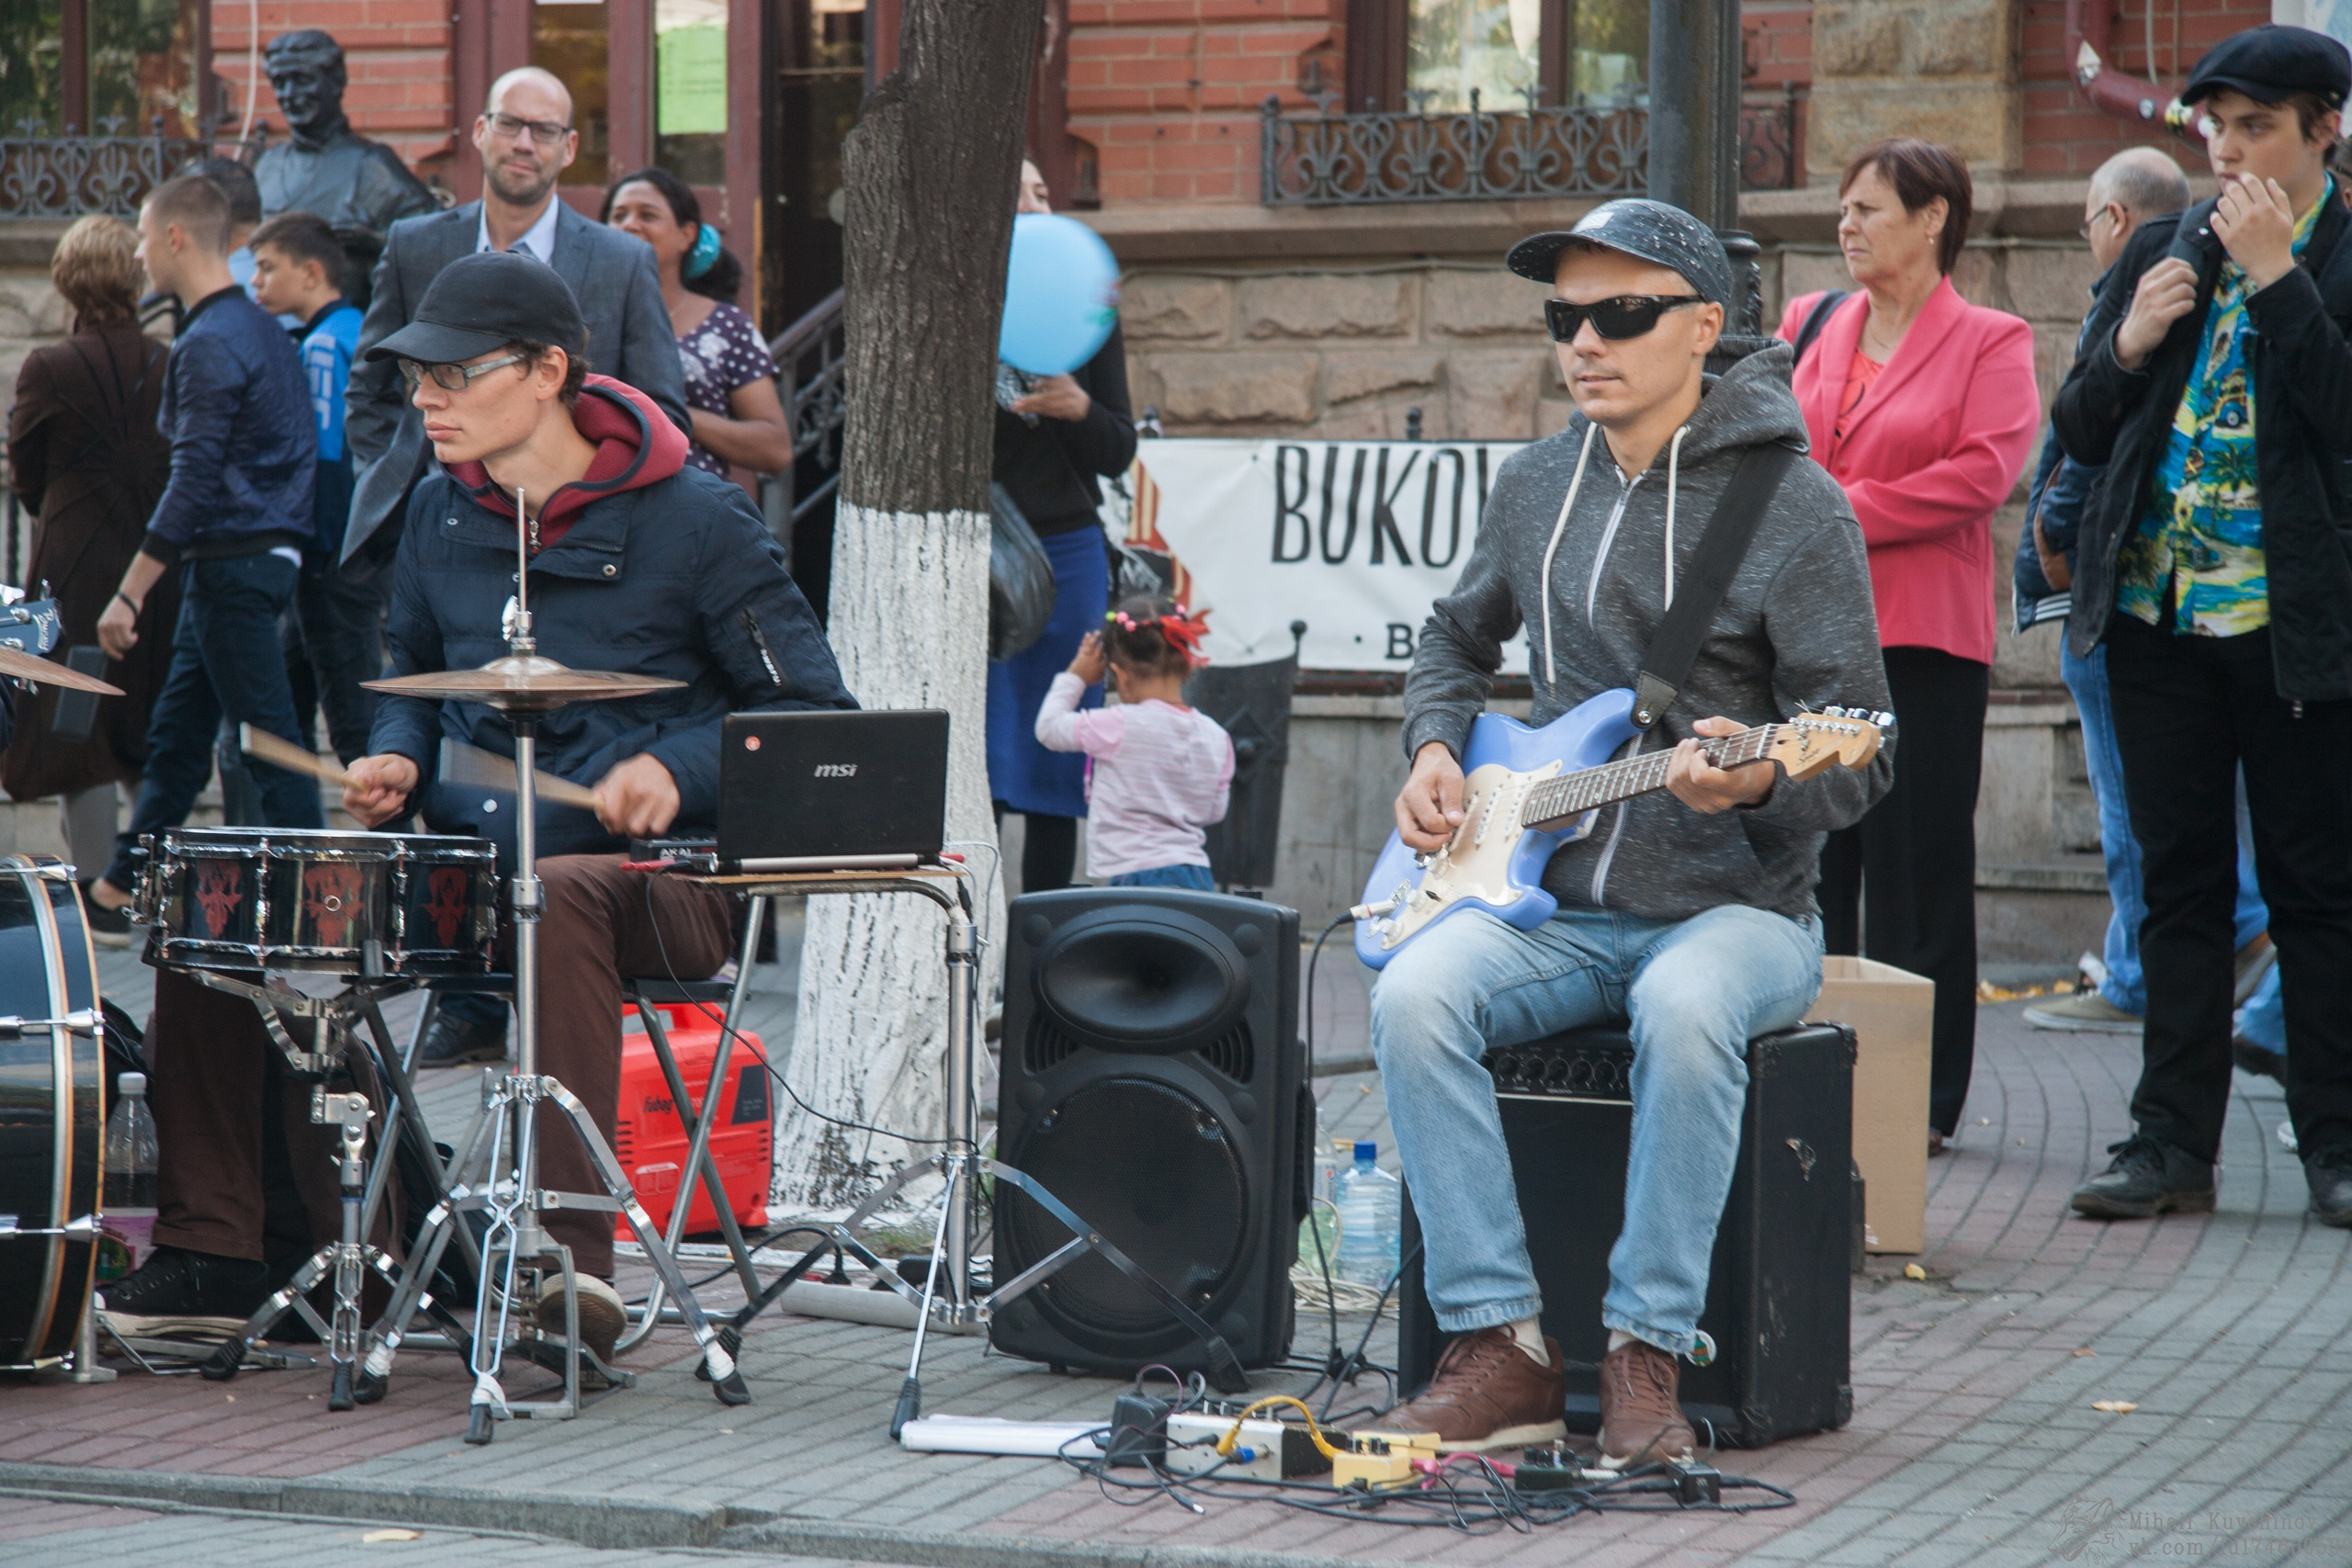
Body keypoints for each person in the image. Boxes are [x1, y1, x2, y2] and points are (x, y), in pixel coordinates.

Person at [96, 252, 854, 1356]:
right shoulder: (440, 518)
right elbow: (409, 673)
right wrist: (397, 756)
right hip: (470, 877)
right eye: (417, 376)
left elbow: (814, 713)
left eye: (453, 373)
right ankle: (220, 1246)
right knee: (215, 889)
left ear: (548, 371)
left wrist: (676, 770)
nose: (425, 398)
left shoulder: (700, 522)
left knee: (562, 894)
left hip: (668, 886)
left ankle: (566, 1268)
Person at [1370, 200, 1893, 1462]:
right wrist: (1437, 745)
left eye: (1622, 314)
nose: (1585, 341)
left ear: (1706, 328)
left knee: (1686, 1007)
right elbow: (1453, 635)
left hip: (1741, 912)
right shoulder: (1536, 480)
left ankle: (1649, 1352)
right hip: (1548, 900)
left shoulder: (1797, 507)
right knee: (1409, 997)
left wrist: (1763, 781)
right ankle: (1503, 1347)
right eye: (1565, 317)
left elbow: (1868, 743)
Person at [2050, 25, 2352, 1226]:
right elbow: (2078, 423)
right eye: (2219, 130)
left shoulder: (2334, 250)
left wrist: (2279, 279)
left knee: (2315, 889)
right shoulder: (2168, 244)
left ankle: (2333, 1138)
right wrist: (2127, 344)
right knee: (2176, 888)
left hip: (2294, 631)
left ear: (2325, 125)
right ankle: (2170, 1141)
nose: (2233, 153)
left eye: (2259, 128)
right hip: (2154, 615)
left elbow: (2340, 416)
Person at [348, 66, 689, 1067]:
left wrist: (606, 507)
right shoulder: (416, 245)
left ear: (568, 148)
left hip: (590, 537)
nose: (524, 144)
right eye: (510, 124)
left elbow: (656, 391)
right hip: (455, 524)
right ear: (480, 132)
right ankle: (465, 993)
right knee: (458, 743)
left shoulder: (615, 262)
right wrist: (400, 466)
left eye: (546, 129)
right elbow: (376, 381)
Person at [1778, 140, 2041, 1153]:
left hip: (1924, 642)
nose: (1847, 226)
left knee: (1916, 867)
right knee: (1813, 858)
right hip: (1807, 641)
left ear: (1934, 219)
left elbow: (1980, 476)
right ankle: (1807, 1069)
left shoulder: (1991, 339)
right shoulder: (1810, 322)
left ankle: (1919, 1100)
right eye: (1842, 209)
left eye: (1868, 209)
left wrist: (1836, 511)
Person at [2014, 152, 2281, 1037]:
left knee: (2136, 801)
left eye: (2091, 223)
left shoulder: (2143, 286)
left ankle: (2144, 973)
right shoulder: (2164, 290)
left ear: (2119, 222)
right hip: (2172, 599)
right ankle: (2200, 953)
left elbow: (2087, 448)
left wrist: (2058, 536)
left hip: (2137, 596)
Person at [84, 175, 322, 920]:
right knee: (182, 732)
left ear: (176, 237)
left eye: (145, 235)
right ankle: (119, 884)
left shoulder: (212, 340)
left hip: (235, 561)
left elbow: (192, 480)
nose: (140, 250)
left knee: (269, 738)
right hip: (250, 558)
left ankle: (320, 906)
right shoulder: (256, 330)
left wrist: (130, 590)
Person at [5, 215, 178, 943]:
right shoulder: (170, 360)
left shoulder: (48, 365)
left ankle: (98, 896)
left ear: (66, 281)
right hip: (154, 568)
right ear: (134, 278)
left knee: (80, 727)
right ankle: (154, 885)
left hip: (75, 570)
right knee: (157, 717)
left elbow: (28, 474)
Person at [986, 157, 1137, 895]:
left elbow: (1119, 447)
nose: (1037, 207)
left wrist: (1078, 409)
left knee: (1054, 769)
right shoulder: (947, 306)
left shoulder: (1085, 303)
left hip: (1065, 554)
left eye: (1042, 192)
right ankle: (968, 966)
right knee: (977, 767)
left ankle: (1033, 965)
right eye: (1017, 196)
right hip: (969, 558)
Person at [248, 209, 374, 763]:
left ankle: (400, 846)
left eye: (267, 268)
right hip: (343, 547)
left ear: (312, 273)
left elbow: (328, 455)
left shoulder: (325, 346)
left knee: (352, 724)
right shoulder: (354, 331)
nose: (256, 283)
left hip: (329, 551)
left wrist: (315, 548)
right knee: (286, 717)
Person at [600, 168, 791, 480]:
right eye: (618, 216)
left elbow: (775, 449)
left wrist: (668, 414)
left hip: (691, 513)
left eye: (648, 215)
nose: (630, 225)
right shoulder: (583, 314)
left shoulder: (728, 326)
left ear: (686, 235)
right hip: (600, 508)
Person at [1035, 598, 1233, 891]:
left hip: (1135, 876)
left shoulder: (1119, 724)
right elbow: (1214, 811)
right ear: (1187, 668)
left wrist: (1075, 677)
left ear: (1122, 677)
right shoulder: (1217, 736)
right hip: (1197, 877)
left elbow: (1049, 729)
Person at [249, 28, 437, 309]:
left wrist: (376, 242)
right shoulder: (268, 166)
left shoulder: (372, 166)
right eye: (280, 83)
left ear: (336, 81)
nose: (289, 94)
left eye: (302, 80)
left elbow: (437, 244)